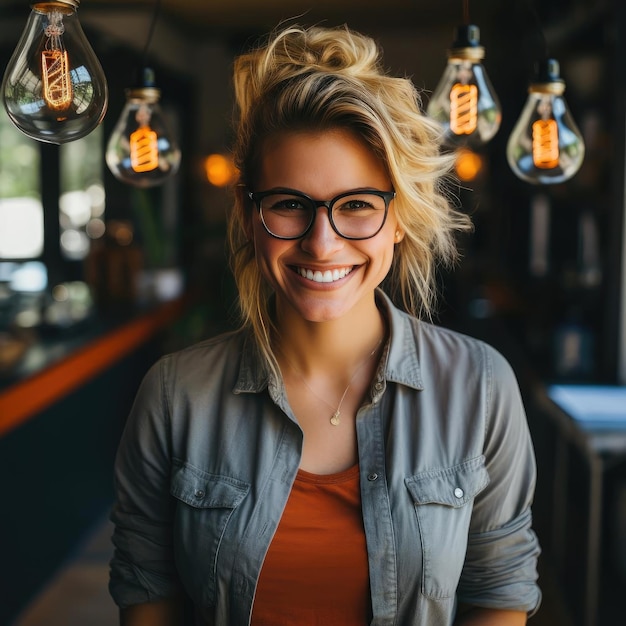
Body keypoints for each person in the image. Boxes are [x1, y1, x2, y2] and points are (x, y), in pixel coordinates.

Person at [109, 23, 542, 626]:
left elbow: (500, 594)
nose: (322, 243)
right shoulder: (175, 395)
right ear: (248, 212)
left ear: (399, 218)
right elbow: (147, 598)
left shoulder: (481, 386)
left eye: (357, 205)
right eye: (289, 203)